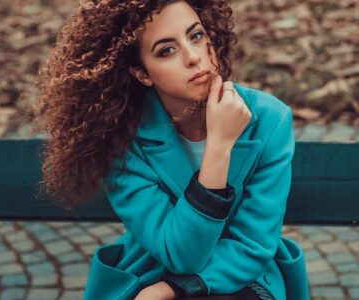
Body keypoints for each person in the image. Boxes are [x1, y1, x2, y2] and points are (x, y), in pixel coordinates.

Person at [30, 0, 308, 299]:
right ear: (142, 73)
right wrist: (218, 148)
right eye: (166, 50)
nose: (192, 57)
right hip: (153, 272)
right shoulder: (120, 140)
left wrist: (176, 289)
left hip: (243, 276)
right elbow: (181, 255)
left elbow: (252, 244)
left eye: (197, 36)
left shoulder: (269, 120)